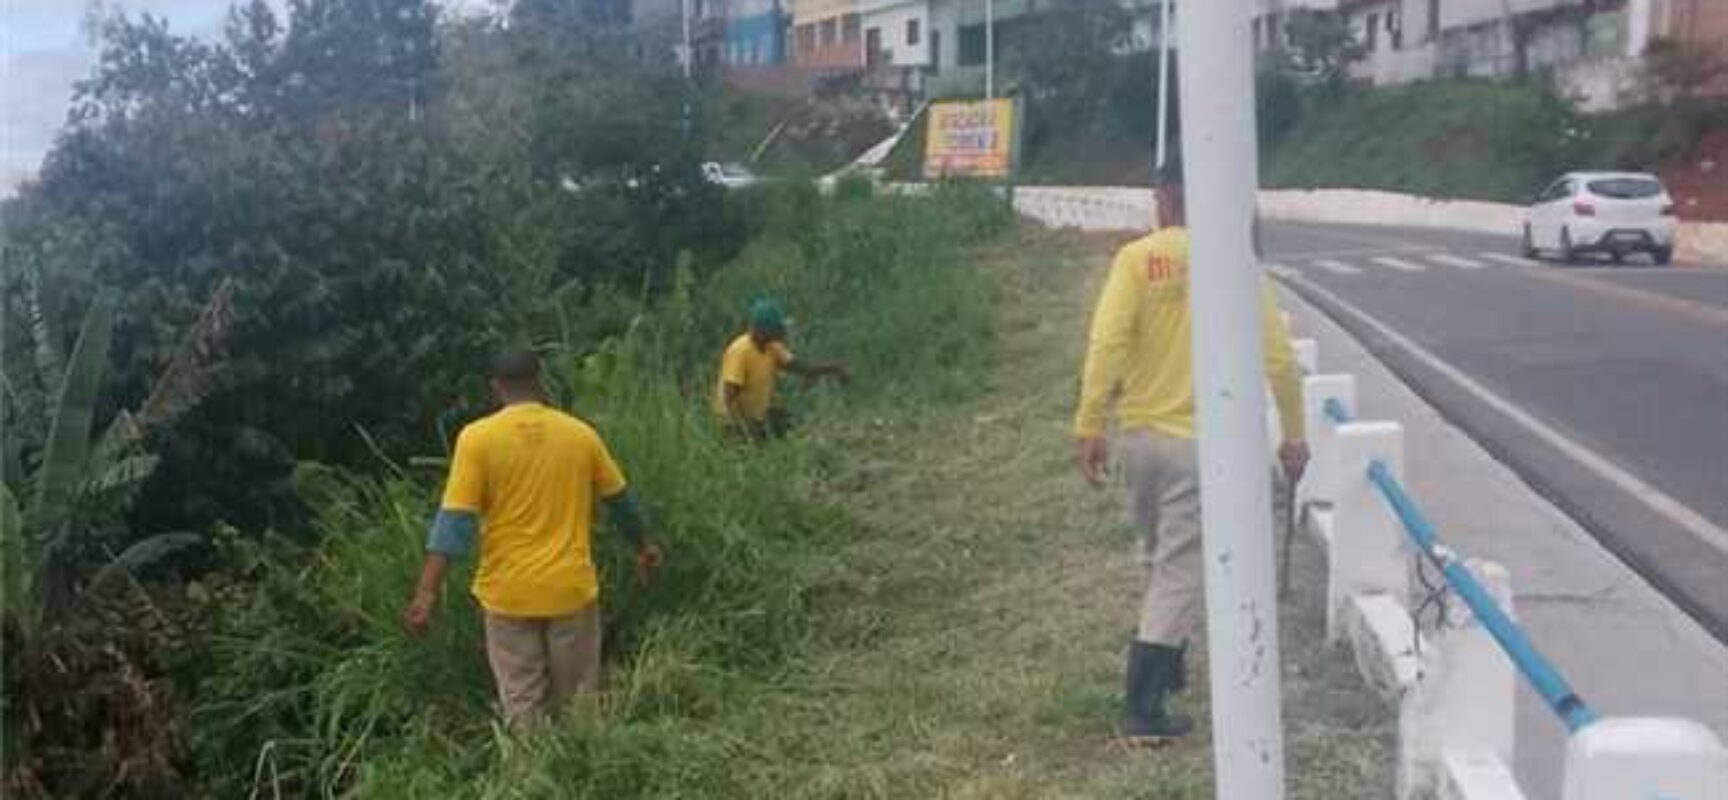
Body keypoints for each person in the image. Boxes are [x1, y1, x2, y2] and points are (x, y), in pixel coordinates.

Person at [1073, 163, 1309, 745]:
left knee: (1158, 556)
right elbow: (1277, 357)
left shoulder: (1135, 260)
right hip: (1199, 445)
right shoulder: (1233, 262)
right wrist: (1295, 434)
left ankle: (1169, 666)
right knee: (1179, 569)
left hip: (1139, 439)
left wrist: (1089, 423)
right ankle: (1143, 708)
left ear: (1163, 198)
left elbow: (1107, 342)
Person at [403, 347, 664, 728]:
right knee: (579, 708)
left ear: (496, 388)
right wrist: (644, 547)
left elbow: (454, 523)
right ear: (540, 382)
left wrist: (426, 594)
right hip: (570, 592)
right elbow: (620, 503)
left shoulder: (477, 439)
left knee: (523, 709)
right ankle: (584, 778)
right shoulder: (580, 435)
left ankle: (532, 781)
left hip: (508, 597)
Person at [713, 298, 849, 439]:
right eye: (775, 330)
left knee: (793, 422)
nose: (779, 334)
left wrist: (833, 368)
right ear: (764, 331)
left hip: (757, 418)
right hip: (735, 424)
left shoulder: (771, 347)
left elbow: (800, 367)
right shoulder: (740, 351)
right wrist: (746, 428)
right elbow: (729, 397)